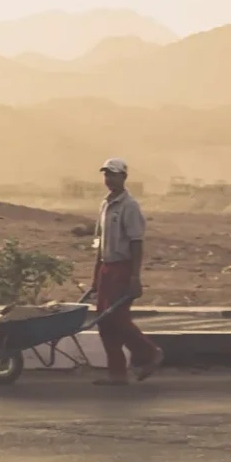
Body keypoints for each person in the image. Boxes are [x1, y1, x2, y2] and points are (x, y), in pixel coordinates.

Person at [90, 158, 163, 385]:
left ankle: (149, 353)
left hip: (122, 268)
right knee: (104, 320)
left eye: (113, 174)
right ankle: (117, 373)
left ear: (124, 177)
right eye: (106, 174)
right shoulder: (105, 204)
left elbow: (136, 242)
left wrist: (134, 277)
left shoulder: (129, 206)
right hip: (106, 267)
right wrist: (95, 276)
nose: (109, 179)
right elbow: (100, 242)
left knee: (118, 318)